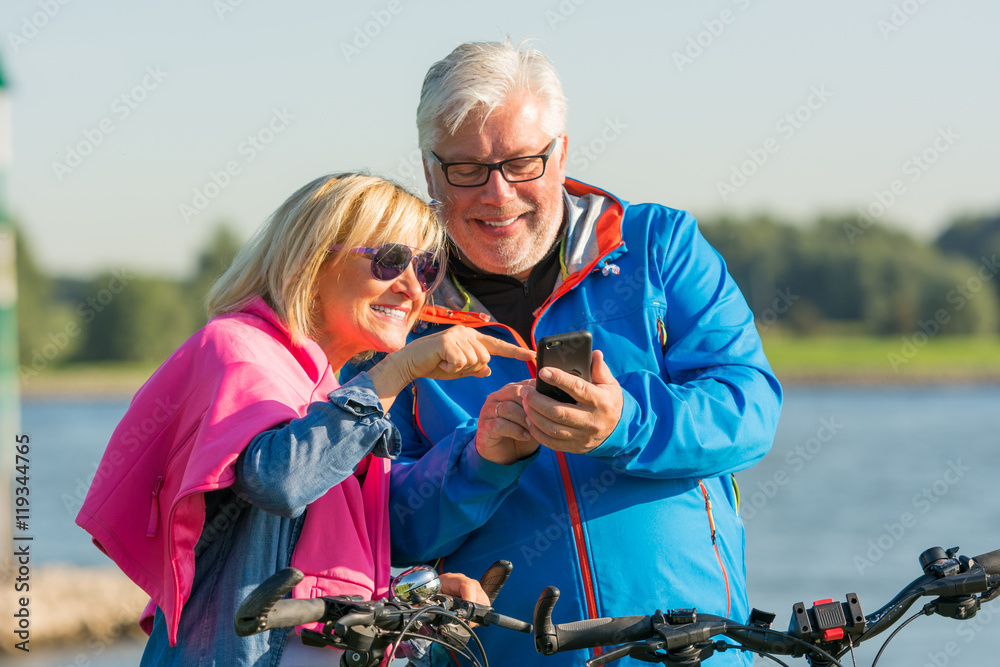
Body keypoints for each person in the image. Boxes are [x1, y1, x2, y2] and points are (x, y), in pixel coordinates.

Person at [347, 42, 783, 666]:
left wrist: (624, 425)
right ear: (427, 168)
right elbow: (381, 526)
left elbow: (749, 411)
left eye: (522, 163)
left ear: (561, 153)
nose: (497, 195)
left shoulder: (661, 246)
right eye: (466, 168)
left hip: (691, 650)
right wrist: (478, 460)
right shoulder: (392, 306)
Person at [75, 173, 534, 666]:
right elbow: (278, 481)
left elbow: (341, 567)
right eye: (390, 260)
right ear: (313, 262)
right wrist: (398, 370)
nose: (410, 288)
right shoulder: (238, 346)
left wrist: (486, 456)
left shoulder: (332, 389)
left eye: (426, 268)